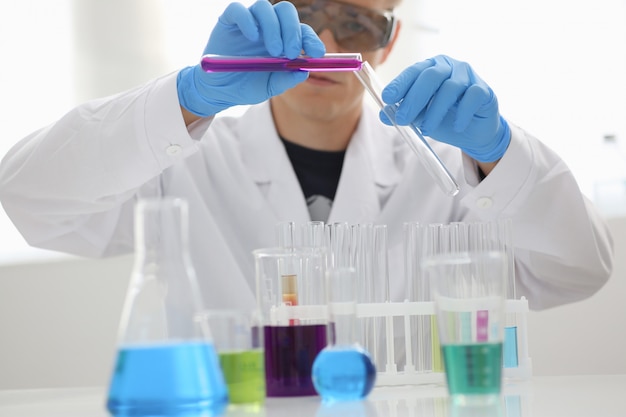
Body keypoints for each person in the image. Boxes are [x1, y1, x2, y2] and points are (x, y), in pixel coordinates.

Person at [0, 0, 614, 312]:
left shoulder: (450, 178)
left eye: (356, 21)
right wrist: (185, 99)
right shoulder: (180, 160)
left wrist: (502, 154)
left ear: (389, 38)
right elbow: (32, 197)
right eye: (306, 15)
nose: (327, 45)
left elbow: (576, 270)